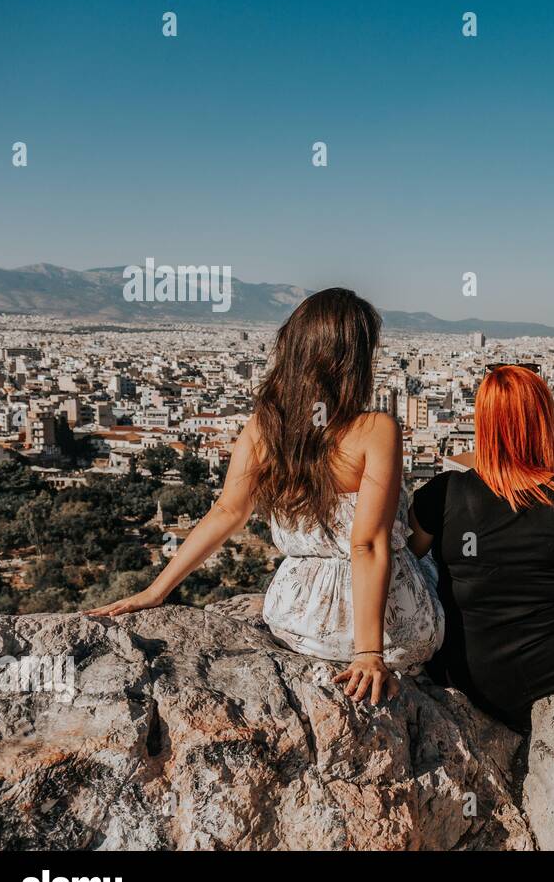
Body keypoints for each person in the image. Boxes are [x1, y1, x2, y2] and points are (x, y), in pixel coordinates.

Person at [90, 289, 442, 706]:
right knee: (436, 557)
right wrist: (368, 654)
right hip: (388, 630)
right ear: (355, 360)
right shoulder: (376, 429)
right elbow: (366, 544)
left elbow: (227, 511)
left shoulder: (264, 427)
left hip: (297, 621)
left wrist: (157, 591)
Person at [409, 365, 554, 732]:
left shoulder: (444, 494)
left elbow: (401, 558)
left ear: (484, 422)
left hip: (466, 675)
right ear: (544, 420)